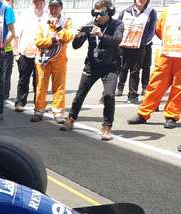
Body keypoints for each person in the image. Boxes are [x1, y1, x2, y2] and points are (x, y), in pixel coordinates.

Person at [128, 0, 181, 129]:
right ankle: (143, 114)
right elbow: (159, 30)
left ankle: (171, 116)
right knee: (155, 85)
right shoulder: (170, 10)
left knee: (180, 88)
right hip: (166, 54)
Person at [63, 0, 123, 141]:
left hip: (110, 66)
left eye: (101, 14)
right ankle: (71, 118)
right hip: (92, 65)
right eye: (95, 14)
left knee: (109, 95)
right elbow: (76, 46)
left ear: (109, 13)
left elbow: (117, 40)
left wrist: (102, 35)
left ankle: (107, 126)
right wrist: (77, 37)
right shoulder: (90, 25)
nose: (97, 17)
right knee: (80, 94)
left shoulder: (118, 25)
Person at [31, 0, 72, 123]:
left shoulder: (66, 21)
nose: (54, 10)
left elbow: (68, 37)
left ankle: (58, 111)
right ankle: (39, 110)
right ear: (48, 8)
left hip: (59, 59)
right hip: (44, 59)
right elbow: (38, 42)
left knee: (59, 86)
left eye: (56, 8)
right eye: (52, 8)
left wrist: (58, 28)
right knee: (41, 85)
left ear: (61, 8)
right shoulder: (43, 22)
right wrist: (52, 40)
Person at [115, 0, 156, 104]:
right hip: (124, 46)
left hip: (140, 47)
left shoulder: (151, 12)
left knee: (135, 71)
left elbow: (152, 30)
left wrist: (142, 42)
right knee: (122, 68)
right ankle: (119, 88)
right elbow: (118, 27)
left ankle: (132, 95)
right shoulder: (125, 11)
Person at [13, 0, 46, 112]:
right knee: (23, 79)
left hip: (41, 54)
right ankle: (20, 103)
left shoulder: (47, 16)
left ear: (44, 3)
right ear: (33, 3)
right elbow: (16, 34)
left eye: (40, 2)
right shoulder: (25, 15)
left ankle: (39, 104)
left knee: (39, 81)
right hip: (25, 52)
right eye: (36, 2)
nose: (38, 4)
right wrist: (16, 52)